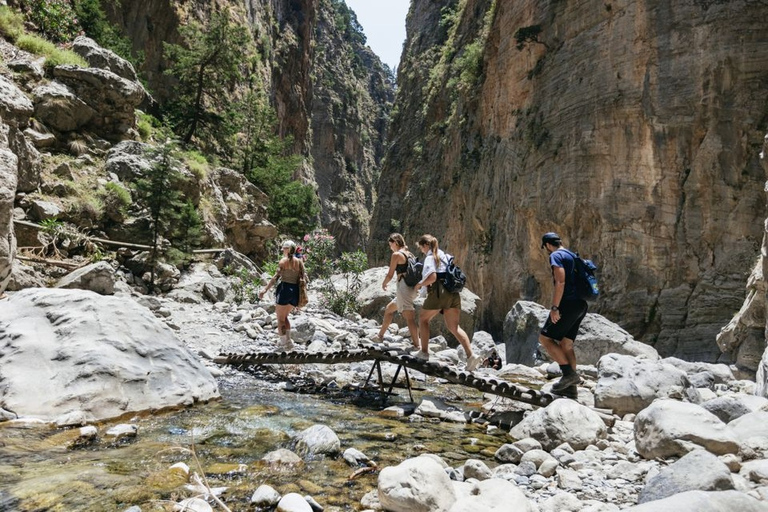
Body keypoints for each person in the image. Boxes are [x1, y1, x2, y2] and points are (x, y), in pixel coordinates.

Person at [413, 234, 482, 371]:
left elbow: (432, 277)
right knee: (454, 327)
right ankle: (471, 356)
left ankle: (424, 352)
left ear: (425, 245)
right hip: (453, 293)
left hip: (439, 292)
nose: (421, 250)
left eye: (421, 247)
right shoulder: (445, 256)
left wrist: (419, 284)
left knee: (423, 319)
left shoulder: (430, 257)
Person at [539, 232, 589, 394]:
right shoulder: (572, 256)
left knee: (545, 338)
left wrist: (555, 307)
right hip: (581, 304)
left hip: (567, 304)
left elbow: (560, 281)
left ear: (547, 245)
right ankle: (571, 389)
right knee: (566, 344)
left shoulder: (556, 255)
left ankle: (568, 374)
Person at [258, 240, 307, 350]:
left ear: (287, 249)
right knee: (285, 317)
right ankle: (288, 341)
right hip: (295, 292)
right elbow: (304, 277)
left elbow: (275, 278)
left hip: (284, 290)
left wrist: (265, 290)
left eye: (284, 249)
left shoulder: (283, 261)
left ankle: (285, 344)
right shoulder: (299, 262)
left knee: (280, 319)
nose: (282, 251)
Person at [376, 233, 420, 349]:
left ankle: (417, 345)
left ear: (395, 243)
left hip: (403, 288)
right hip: (411, 288)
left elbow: (390, 274)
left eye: (391, 245)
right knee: (389, 309)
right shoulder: (410, 254)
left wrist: (384, 283)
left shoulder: (396, 255)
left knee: (409, 316)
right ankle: (380, 335)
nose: (390, 248)